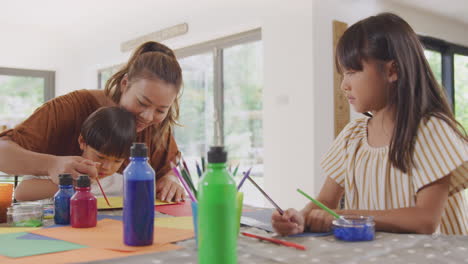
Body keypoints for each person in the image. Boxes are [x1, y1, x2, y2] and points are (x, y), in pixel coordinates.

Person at [272, 13, 467, 235]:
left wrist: (346, 215)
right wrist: (299, 218)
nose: (344, 85)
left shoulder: (432, 131)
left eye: (352, 72)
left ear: (392, 71)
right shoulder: (352, 136)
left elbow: (425, 220)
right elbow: (325, 201)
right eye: (343, 74)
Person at [0, 41, 185, 202]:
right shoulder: (70, 108)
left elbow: (168, 169)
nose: (148, 117)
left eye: (161, 110)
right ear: (125, 84)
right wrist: (51, 165)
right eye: (142, 102)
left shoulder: (156, 126)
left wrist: (171, 180)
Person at [14, 106, 135, 201]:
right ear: (82, 142)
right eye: (100, 157)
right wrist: (71, 184)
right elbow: (21, 193)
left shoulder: (123, 183)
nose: (107, 167)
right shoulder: (60, 169)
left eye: (117, 161)